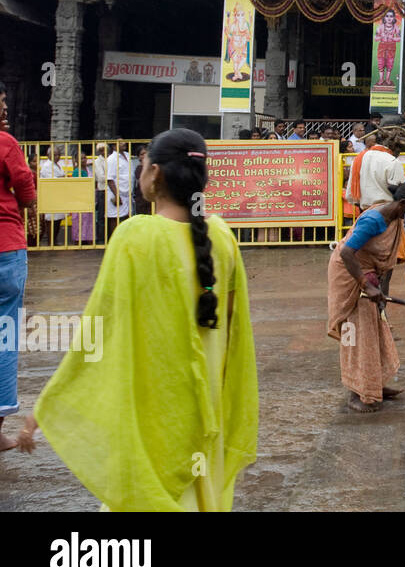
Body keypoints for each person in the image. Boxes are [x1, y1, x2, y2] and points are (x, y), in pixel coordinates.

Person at [15, 128, 259, 510]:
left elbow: (99, 329)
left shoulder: (134, 236)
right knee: (199, 488)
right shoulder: (222, 236)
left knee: (151, 487)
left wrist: (50, 403)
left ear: (155, 174)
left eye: (142, 165)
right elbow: (229, 327)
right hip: (208, 392)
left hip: (153, 395)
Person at [327, 183, 405, 412]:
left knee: (374, 330)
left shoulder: (394, 218)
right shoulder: (373, 220)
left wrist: (379, 289)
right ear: (402, 205)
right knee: (356, 335)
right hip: (350, 277)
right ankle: (355, 393)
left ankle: (375, 384)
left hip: (367, 276)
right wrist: (366, 285)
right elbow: (346, 253)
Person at [0, 81, 36, 451]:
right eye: (2, 103)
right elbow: (25, 187)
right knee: (4, 335)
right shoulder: (6, 144)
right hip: (6, 250)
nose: (6, 110)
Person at [38, 146, 67, 246]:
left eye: (58, 155)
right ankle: (51, 242)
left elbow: (62, 177)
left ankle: (54, 240)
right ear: (48, 155)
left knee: (58, 220)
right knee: (51, 220)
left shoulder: (57, 165)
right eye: (54, 154)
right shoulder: (47, 166)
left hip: (58, 196)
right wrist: (62, 178)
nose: (56, 156)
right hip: (50, 196)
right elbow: (55, 180)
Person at [104, 141, 131, 239]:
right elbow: (110, 179)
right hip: (116, 193)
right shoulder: (111, 159)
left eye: (123, 141)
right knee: (115, 217)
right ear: (114, 146)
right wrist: (117, 195)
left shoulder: (127, 156)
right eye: (120, 142)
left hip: (127, 193)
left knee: (125, 217)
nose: (124, 143)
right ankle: (114, 240)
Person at [91, 142, 108, 243]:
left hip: (109, 189)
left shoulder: (108, 160)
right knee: (101, 215)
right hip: (102, 190)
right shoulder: (97, 162)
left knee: (109, 214)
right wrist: (112, 178)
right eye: (101, 149)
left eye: (105, 149)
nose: (103, 151)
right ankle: (101, 238)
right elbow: (101, 178)